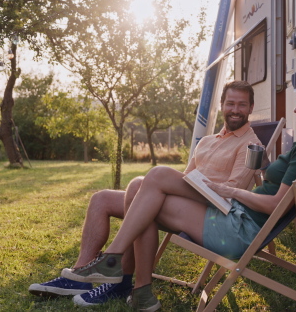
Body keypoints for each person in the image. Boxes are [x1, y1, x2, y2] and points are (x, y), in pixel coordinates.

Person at [58, 80, 296, 311]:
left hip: (238, 227)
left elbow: (276, 203)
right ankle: (139, 290)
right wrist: (262, 166)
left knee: (155, 177)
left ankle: (113, 265)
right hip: (238, 219)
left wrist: (229, 190)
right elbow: (273, 187)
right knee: (143, 190)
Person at [28, 80, 261, 306]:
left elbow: (233, 195)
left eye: (242, 105)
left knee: (152, 178)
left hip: (213, 209)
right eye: (230, 103)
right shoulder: (207, 141)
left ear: (251, 108)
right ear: (222, 105)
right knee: (103, 199)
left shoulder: (252, 145)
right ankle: (79, 277)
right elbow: (187, 177)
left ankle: (117, 268)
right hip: (188, 199)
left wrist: (187, 186)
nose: (235, 110)